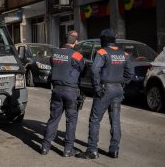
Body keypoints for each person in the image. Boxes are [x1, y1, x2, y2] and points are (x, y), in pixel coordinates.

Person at [76, 29, 134, 159]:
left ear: (103, 40)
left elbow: (94, 69)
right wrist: (121, 83)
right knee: (115, 120)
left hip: (105, 89)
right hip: (118, 90)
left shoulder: (102, 52)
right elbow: (130, 73)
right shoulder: (124, 54)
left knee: (95, 119)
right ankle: (114, 150)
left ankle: (92, 151)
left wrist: (97, 87)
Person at [41, 30, 85, 157]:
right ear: (75, 41)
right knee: (71, 121)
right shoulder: (76, 55)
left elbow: (53, 64)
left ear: (65, 40)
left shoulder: (55, 53)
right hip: (71, 91)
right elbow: (82, 69)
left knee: (53, 119)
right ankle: (68, 150)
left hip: (57, 90)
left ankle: (45, 147)